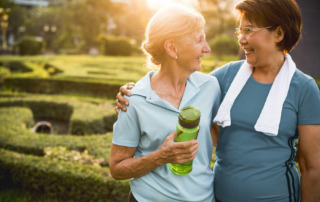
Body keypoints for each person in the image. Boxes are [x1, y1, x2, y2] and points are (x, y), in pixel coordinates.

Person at [115, 0, 320, 201]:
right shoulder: (225, 76)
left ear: (279, 33)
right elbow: (176, 77)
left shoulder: (304, 88)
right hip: (220, 197)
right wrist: (134, 91)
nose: (241, 39)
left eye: (249, 30)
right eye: (241, 31)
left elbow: (312, 168)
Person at [109, 4, 221, 202]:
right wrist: (161, 156)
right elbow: (117, 168)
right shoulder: (133, 99)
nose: (207, 48)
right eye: (199, 40)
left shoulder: (211, 87)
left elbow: (219, 139)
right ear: (172, 47)